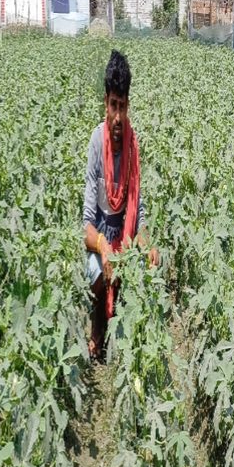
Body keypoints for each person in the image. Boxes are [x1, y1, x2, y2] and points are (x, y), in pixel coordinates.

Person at [83, 49, 160, 362]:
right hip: (101, 238)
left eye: (123, 107)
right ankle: (98, 324)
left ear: (128, 106)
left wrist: (148, 245)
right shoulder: (96, 142)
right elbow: (86, 224)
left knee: (149, 266)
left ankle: (130, 332)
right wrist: (103, 246)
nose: (117, 116)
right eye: (113, 105)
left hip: (124, 239)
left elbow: (137, 215)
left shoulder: (132, 146)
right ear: (106, 102)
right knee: (101, 272)